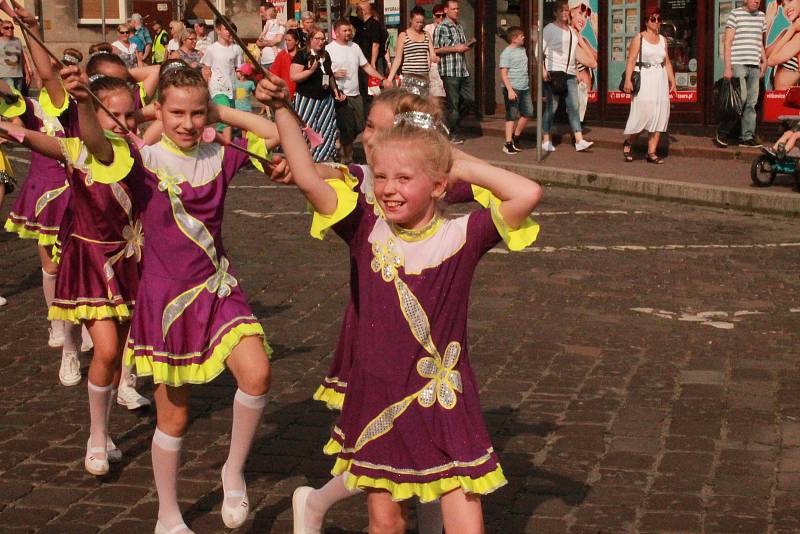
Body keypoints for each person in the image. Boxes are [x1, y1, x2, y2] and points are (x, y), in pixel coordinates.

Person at [261, 70, 542, 534]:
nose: (388, 188)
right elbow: (310, 178)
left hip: (444, 399)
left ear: (437, 185)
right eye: (382, 176)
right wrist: (281, 111)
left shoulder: (463, 235)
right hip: (379, 394)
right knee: (386, 523)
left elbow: (527, 193)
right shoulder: (363, 230)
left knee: (466, 524)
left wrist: (453, 161)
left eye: (404, 178)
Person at [69, 61, 280, 533]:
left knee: (258, 373)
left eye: (197, 113)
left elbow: (271, 130)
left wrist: (222, 112)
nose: (188, 123)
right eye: (177, 113)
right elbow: (97, 145)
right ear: (158, 112)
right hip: (167, 305)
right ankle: (168, 513)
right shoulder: (142, 160)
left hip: (219, 290)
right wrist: (94, 105)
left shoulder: (219, 156)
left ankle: (233, 471)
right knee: (176, 415)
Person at [2, 71, 144, 477]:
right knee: (105, 349)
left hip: (131, 259)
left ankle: (106, 426)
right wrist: (81, 102)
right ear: (93, 116)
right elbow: (29, 137)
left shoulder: (140, 149)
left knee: (118, 352)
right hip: (91, 264)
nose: (123, 123)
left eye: (130, 115)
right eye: (112, 114)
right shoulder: (76, 149)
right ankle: (96, 434)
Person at [622, 7, 676, 164]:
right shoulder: (639, 38)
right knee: (644, 114)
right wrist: (627, 80)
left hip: (659, 78)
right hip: (645, 77)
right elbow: (631, 60)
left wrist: (672, 80)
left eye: (659, 19)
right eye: (653, 19)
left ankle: (651, 152)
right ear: (646, 22)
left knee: (659, 115)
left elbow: (666, 62)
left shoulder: (663, 40)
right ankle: (629, 142)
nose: (657, 22)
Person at [325, 18, 384, 163]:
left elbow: (366, 66)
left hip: (355, 93)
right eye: (344, 30)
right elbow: (324, 72)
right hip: (340, 94)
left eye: (349, 30)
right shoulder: (329, 49)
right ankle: (348, 157)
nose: (348, 33)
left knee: (360, 125)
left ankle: (339, 141)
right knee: (348, 126)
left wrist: (382, 79)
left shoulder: (355, 47)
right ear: (337, 32)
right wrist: (334, 74)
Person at [541, 0, 593, 152]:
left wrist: (576, 71)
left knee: (574, 106)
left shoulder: (571, 31)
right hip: (554, 73)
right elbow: (539, 51)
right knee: (552, 107)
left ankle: (579, 140)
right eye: (562, 10)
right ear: (555, 13)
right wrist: (543, 70)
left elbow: (573, 53)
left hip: (570, 74)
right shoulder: (549, 29)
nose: (565, 13)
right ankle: (546, 139)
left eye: (566, 10)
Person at [715, 0, 766, 148]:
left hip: (754, 65)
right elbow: (728, 42)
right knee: (740, 99)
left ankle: (746, 137)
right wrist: (727, 68)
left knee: (751, 102)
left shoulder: (761, 16)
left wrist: (765, 60)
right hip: (738, 64)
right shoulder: (735, 14)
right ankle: (723, 131)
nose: (757, 1)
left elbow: (759, 42)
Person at [291, 26, 341, 161]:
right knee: (307, 128)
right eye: (317, 39)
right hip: (307, 98)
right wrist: (311, 71)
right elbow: (294, 76)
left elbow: (329, 75)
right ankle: (303, 157)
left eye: (323, 39)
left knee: (326, 128)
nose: (321, 41)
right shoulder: (302, 54)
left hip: (325, 98)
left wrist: (335, 91)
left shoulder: (326, 55)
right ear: (310, 40)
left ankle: (320, 157)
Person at [434, 0, 475, 144]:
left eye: (457, 9)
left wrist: (466, 45)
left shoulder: (458, 26)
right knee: (454, 104)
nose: (456, 11)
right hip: (450, 71)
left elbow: (460, 46)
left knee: (469, 100)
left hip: (462, 70)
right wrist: (456, 48)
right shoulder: (441, 27)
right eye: (453, 9)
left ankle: (447, 122)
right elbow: (436, 49)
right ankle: (453, 134)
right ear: (446, 10)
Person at [201, 17, 244, 142]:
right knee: (224, 113)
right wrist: (204, 87)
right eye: (226, 29)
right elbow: (206, 68)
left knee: (228, 118)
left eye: (230, 29)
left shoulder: (236, 49)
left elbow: (239, 69)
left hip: (231, 87)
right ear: (218, 30)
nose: (229, 32)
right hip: (217, 87)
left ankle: (215, 140)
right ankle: (227, 144)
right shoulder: (211, 49)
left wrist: (243, 76)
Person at [384, 6, 438, 88]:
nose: (420, 24)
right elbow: (398, 58)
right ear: (411, 20)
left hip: (423, 77)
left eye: (421, 22)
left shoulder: (426, 34)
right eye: (417, 22)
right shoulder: (403, 35)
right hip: (409, 77)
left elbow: (432, 54)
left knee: (422, 100)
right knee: (409, 101)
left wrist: (435, 58)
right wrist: (389, 78)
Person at [499, 26, 532, 154]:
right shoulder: (506, 53)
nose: (523, 37)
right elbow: (503, 73)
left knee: (528, 112)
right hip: (512, 88)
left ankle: (515, 137)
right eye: (521, 36)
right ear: (514, 38)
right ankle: (507, 144)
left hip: (524, 87)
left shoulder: (522, 49)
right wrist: (510, 90)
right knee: (511, 115)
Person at [352, 0, 388, 108]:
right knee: (363, 92)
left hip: (370, 63)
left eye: (358, 10)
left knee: (372, 92)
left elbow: (375, 44)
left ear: (364, 11)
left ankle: (375, 114)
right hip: (361, 64)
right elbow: (345, 15)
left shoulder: (374, 24)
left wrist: (372, 62)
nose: (356, 12)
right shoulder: (360, 23)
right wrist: (354, 5)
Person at [424, 4, 447, 101]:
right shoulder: (428, 29)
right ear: (434, 16)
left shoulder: (447, 28)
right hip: (433, 65)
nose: (441, 18)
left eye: (443, 15)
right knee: (435, 93)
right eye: (438, 15)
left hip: (446, 64)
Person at [0, 21, 30, 94]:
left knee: (19, 97)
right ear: (1, 30)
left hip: (18, 75)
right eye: (6, 28)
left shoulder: (18, 40)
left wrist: (27, 73)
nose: (10, 29)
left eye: (12, 27)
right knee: (11, 97)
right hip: (5, 75)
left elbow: (22, 58)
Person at [270, 27, 300, 99]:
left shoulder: (302, 55)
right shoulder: (281, 55)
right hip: (285, 94)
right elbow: (274, 74)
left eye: (289, 40)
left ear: (296, 41)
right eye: (286, 40)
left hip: (300, 94)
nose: (287, 42)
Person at [257, 1, 285, 71]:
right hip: (264, 62)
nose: (260, 14)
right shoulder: (267, 24)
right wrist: (266, 43)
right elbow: (258, 43)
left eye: (262, 12)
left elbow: (277, 40)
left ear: (268, 12)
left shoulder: (280, 23)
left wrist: (263, 43)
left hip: (274, 61)